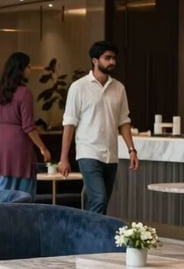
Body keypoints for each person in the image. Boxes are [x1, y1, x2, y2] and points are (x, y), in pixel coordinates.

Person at [58, 40, 139, 214]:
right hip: (88, 153)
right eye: (107, 58)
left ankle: (83, 234)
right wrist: (63, 158)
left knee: (98, 201)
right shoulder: (78, 87)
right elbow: (69, 124)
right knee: (99, 199)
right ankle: (93, 239)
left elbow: (124, 121)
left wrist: (132, 150)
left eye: (114, 58)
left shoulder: (119, 88)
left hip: (111, 155)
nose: (112, 62)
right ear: (95, 60)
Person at [0, 51, 52, 198]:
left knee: (1, 189)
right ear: (21, 69)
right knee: (24, 192)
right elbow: (28, 126)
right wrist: (43, 148)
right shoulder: (25, 93)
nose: (30, 70)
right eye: (28, 66)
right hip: (19, 144)